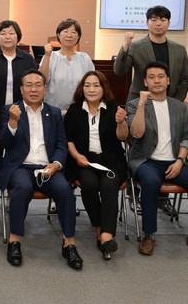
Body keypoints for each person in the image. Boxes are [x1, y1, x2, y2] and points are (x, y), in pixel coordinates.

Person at [126, 61, 188, 258]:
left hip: (175, 161)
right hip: (146, 161)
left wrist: (180, 161)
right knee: (151, 182)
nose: (156, 81)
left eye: (160, 77)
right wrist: (141, 105)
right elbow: (136, 133)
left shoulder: (179, 107)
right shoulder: (134, 104)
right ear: (145, 82)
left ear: (168, 80)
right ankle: (149, 234)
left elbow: (186, 137)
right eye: (151, 77)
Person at [0, 69, 83, 269]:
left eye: (38, 85)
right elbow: (5, 144)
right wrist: (12, 121)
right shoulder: (10, 110)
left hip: (48, 168)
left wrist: (56, 164)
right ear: (21, 89)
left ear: (45, 89)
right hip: (21, 167)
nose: (33, 89)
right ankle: (14, 241)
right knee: (22, 189)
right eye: (28, 85)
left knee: (65, 191)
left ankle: (69, 243)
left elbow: (62, 145)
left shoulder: (54, 113)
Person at [64, 71, 128, 260]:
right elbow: (68, 139)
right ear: (82, 89)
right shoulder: (74, 110)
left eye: (96, 85)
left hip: (111, 160)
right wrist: (77, 156)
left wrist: (121, 122)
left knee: (109, 185)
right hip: (84, 160)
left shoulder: (114, 108)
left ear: (103, 88)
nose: (91, 89)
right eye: (87, 85)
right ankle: (99, 227)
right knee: (89, 184)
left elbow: (123, 137)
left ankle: (106, 235)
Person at [113, 5, 188, 102]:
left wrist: (176, 101)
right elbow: (119, 71)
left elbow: (185, 79)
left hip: (170, 100)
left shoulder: (179, 49)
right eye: (154, 20)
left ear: (168, 23)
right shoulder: (135, 47)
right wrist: (126, 45)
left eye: (163, 20)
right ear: (147, 23)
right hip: (140, 101)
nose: (158, 24)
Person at [0, 20, 37, 119]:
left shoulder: (27, 58)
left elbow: (34, 82)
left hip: (20, 110)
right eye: (3, 34)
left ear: (18, 36)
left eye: (11, 33)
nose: (7, 37)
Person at [39, 18, 95, 113]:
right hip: (54, 112)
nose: (69, 35)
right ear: (58, 35)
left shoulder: (85, 58)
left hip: (80, 111)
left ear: (78, 36)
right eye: (65, 31)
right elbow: (42, 80)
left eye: (73, 32)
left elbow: (92, 84)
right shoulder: (51, 57)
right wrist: (47, 56)